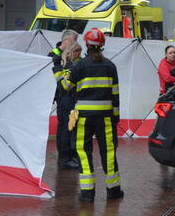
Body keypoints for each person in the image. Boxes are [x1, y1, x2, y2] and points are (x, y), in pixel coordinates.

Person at [61, 28, 122, 202]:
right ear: (102, 45)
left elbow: (66, 87)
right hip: (105, 117)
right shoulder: (110, 66)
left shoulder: (79, 65)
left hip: (84, 117)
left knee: (83, 151)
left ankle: (88, 193)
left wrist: (60, 71)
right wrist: (115, 117)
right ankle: (113, 191)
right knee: (109, 152)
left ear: (86, 45)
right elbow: (115, 95)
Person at [49, 29, 79, 170]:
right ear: (66, 40)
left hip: (68, 95)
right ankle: (64, 157)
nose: (75, 44)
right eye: (73, 40)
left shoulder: (71, 56)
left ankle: (65, 155)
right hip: (62, 96)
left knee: (65, 127)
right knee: (66, 127)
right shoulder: (53, 54)